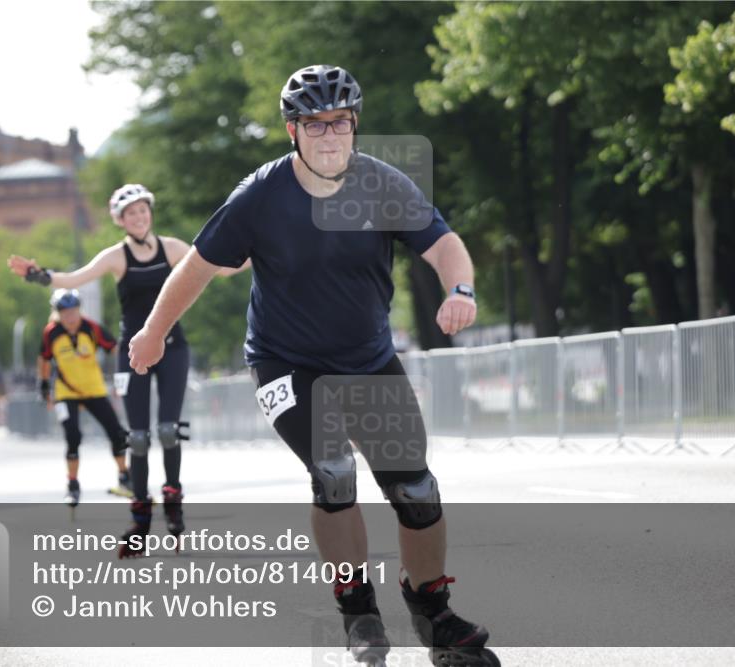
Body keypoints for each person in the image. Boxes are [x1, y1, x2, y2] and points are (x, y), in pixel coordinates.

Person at [128, 65, 498, 667]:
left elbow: (443, 243)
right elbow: (196, 267)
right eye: (314, 123)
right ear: (292, 132)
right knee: (332, 469)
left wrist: (461, 290)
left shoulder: (383, 184)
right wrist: (152, 332)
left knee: (416, 489)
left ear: (355, 126)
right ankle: (358, 610)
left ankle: (432, 609)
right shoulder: (260, 195)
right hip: (284, 364)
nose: (329, 135)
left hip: (369, 361)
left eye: (339, 122)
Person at [8, 185, 247, 545]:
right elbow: (74, 278)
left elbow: (221, 268)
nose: (139, 217)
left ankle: (174, 501)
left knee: (168, 430)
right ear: (120, 220)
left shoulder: (173, 248)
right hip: (133, 353)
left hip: (172, 348)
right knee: (137, 438)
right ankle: (140, 519)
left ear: (150, 213)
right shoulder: (116, 256)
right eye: (131, 213)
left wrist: (263, 246)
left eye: (143, 211)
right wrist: (38, 275)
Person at [38, 289, 129, 506]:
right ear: (58, 313)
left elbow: (116, 349)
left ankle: (125, 476)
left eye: (74, 311)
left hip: (94, 389)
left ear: (80, 310)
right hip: (66, 392)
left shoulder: (92, 328)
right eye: (65, 313)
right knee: (73, 436)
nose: (70, 317)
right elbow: (43, 360)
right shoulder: (51, 333)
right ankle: (73, 485)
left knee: (116, 432)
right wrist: (44, 389)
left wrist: (119, 378)